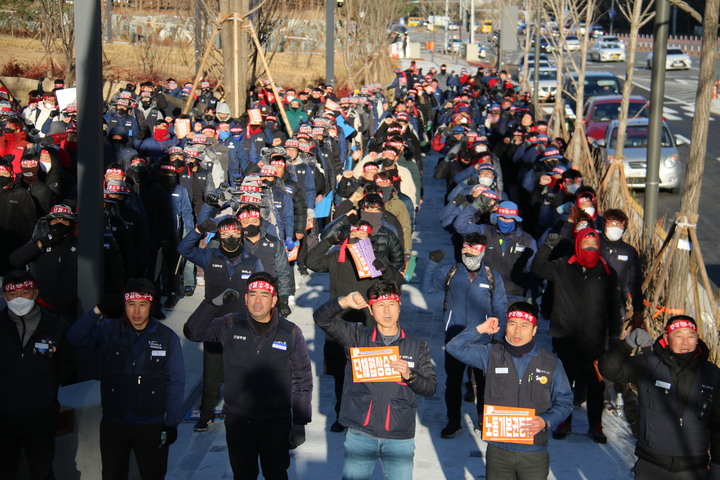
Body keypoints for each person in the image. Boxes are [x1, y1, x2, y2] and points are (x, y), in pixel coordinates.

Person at [184, 272, 312, 480]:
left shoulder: (290, 333)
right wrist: (212, 303)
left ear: (274, 300)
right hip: (238, 422)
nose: (258, 301)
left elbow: (302, 379)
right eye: (252, 294)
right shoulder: (230, 324)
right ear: (245, 299)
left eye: (264, 295)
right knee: (243, 475)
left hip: (276, 423)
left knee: (276, 474)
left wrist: (300, 421)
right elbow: (193, 332)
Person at [313, 280, 437, 480]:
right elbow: (321, 318)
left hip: (399, 437)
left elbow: (430, 387)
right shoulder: (357, 337)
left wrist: (410, 375)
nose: (387, 311)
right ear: (371, 310)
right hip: (361, 433)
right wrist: (343, 302)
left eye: (391, 305)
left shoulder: (416, 345)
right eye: (380, 306)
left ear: (400, 306)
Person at [67, 278, 186, 480]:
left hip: (151, 425)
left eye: (143, 305)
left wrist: (171, 423)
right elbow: (75, 336)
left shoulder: (166, 337)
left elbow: (176, 382)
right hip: (115, 423)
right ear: (124, 305)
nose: (137, 312)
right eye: (131, 304)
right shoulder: (109, 329)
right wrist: (97, 310)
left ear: (152, 305)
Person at [446, 302, 573, 480]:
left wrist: (545, 421)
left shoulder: (550, 362)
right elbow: (454, 347)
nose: (517, 331)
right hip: (499, 452)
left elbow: (565, 401)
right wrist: (479, 329)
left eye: (524, 325)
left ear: (534, 330)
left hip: (534, 453)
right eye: (512, 324)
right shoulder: (491, 354)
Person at [600, 316, 720, 479]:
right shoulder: (649, 365)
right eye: (678, 335)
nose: (685, 342)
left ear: (697, 339)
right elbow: (609, 370)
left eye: (690, 336)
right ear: (666, 338)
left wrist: (717, 468)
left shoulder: (712, 374)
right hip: (652, 466)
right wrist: (627, 344)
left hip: (694, 470)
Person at [532, 227, 622, 443]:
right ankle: (564, 420)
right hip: (565, 336)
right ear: (578, 245)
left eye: (594, 246)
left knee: (595, 384)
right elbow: (538, 269)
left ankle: (595, 424)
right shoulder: (564, 265)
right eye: (586, 245)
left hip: (594, 339)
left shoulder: (607, 272)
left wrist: (615, 337)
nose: (590, 249)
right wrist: (546, 247)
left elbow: (614, 307)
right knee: (564, 382)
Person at [421, 233, 508, 438]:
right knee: (453, 383)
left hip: (482, 341)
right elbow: (426, 287)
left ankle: (484, 421)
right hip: (455, 339)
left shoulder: (492, 277)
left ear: (483, 251)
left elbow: (501, 310)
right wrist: (430, 264)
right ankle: (453, 422)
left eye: (475, 250)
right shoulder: (450, 272)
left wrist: (497, 338)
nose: (470, 254)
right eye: (466, 250)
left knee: (485, 384)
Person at [0, 270, 74, 480]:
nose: (19, 299)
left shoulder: (55, 325)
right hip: (3, 417)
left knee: (42, 472)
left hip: (40, 416)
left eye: (25, 292)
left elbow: (65, 366)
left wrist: (44, 389)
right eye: (13, 295)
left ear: (35, 293)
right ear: (4, 297)